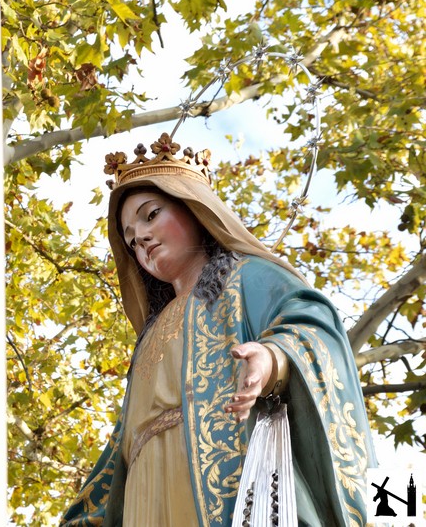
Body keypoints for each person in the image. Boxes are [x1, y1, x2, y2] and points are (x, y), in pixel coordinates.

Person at [60, 133, 376, 527]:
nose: (139, 237)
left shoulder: (247, 278)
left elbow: (312, 323)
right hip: (144, 493)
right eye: (129, 239)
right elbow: (120, 446)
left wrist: (272, 358)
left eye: (151, 214)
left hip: (228, 484)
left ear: (195, 209)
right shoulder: (150, 336)